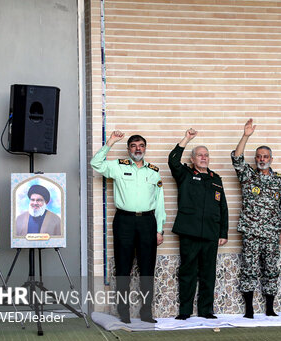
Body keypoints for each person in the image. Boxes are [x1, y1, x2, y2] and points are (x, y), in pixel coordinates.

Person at [90, 130, 165, 324]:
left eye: (141, 146)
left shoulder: (154, 171)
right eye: (133, 146)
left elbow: (160, 202)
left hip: (148, 222)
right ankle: (123, 312)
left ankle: (146, 312)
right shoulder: (118, 167)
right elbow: (96, 164)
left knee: (147, 269)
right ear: (128, 149)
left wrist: (160, 229)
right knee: (123, 268)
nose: (137, 149)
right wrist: (110, 142)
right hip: (124, 221)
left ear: (145, 149)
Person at [231, 119, 281, 318]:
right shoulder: (248, 175)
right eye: (258, 156)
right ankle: (249, 309)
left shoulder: (279, 180)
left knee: (271, 269)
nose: (262, 159)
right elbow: (237, 158)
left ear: (271, 159)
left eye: (265, 156)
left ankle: (270, 308)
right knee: (249, 268)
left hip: (272, 233)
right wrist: (246, 136)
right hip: (251, 232)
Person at [169, 128, 228, 320]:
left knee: (208, 274)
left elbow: (223, 207)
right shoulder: (185, 174)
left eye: (206, 155)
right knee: (188, 272)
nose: (203, 158)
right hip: (189, 232)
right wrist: (186, 139)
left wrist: (223, 233)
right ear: (193, 159)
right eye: (199, 155)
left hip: (211, 234)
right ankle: (185, 311)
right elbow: (173, 161)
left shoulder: (216, 179)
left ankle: (206, 310)